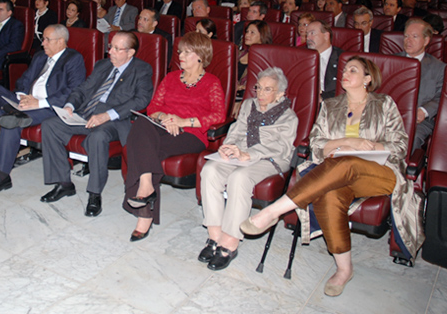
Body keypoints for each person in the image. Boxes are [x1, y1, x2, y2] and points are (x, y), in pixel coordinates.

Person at [241, 56, 424, 297]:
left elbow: (400, 146)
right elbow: (316, 145)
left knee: (348, 162)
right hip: (337, 172)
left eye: (353, 70)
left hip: (380, 172)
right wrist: (347, 142)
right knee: (328, 196)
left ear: (367, 79)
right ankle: (344, 269)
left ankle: (274, 210)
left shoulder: (384, 104)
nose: (345, 73)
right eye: (344, 69)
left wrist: (364, 147)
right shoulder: (330, 106)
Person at [122, 32, 225, 241]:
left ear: (200, 55)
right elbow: (153, 108)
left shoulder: (212, 83)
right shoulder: (170, 78)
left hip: (191, 134)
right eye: (180, 52)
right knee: (141, 122)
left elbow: (218, 115)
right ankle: (146, 184)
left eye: (187, 52)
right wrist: (166, 117)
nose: (181, 56)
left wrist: (183, 121)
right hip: (163, 126)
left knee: (141, 148)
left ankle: (144, 215)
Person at [40, 32, 153, 217]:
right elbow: (83, 90)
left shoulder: (142, 69)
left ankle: (94, 194)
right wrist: (70, 106)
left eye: (117, 49)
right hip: (86, 114)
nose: (111, 52)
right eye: (110, 47)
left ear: (130, 52)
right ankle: (63, 184)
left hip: (116, 120)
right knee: (50, 125)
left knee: (98, 136)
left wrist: (107, 116)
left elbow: (141, 100)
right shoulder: (102, 65)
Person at [199, 68, 298, 270]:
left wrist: (250, 154)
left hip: (269, 159)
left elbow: (282, 147)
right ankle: (214, 236)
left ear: (280, 94)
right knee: (210, 170)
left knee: (240, 177)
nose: (260, 94)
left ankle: (229, 242)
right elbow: (236, 131)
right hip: (240, 154)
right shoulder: (247, 105)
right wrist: (228, 147)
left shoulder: (289, 117)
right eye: (258, 88)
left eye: (267, 89)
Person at [0, 25, 86, 195]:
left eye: (47, 40)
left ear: (61, 41)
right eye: (43, 39)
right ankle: (9, 113)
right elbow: (24, 79)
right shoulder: (40, 56)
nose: (43, 43)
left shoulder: (73, 58)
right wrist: (21, 96)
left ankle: (2, 176)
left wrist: (39, 103)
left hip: (49, 107)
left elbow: (73, 90)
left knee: (11, 124)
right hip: (26, 102)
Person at [397, 19, 445, 151]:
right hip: (390, 116)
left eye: (414, 36)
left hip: (419, 121)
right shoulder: (391, 61)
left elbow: (442, 96)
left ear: (426, 41)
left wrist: (424, 111)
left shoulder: (439, 68)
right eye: (406, 36)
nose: (408, 40)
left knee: (408, 138)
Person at [306, 20, 342, 100]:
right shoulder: (301, 56)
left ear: (326, 36)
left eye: (312, 33)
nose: (308, 38)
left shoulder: (342, 58)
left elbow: (342, 90)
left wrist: (322, 98)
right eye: (307, 34)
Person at [237, 20, 272, 98]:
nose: (247, 35)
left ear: (262, 36)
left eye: (252, 32)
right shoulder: (239, 53)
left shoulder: (265, 60)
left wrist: (244, 87)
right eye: (247, 31)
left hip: (250, 97)